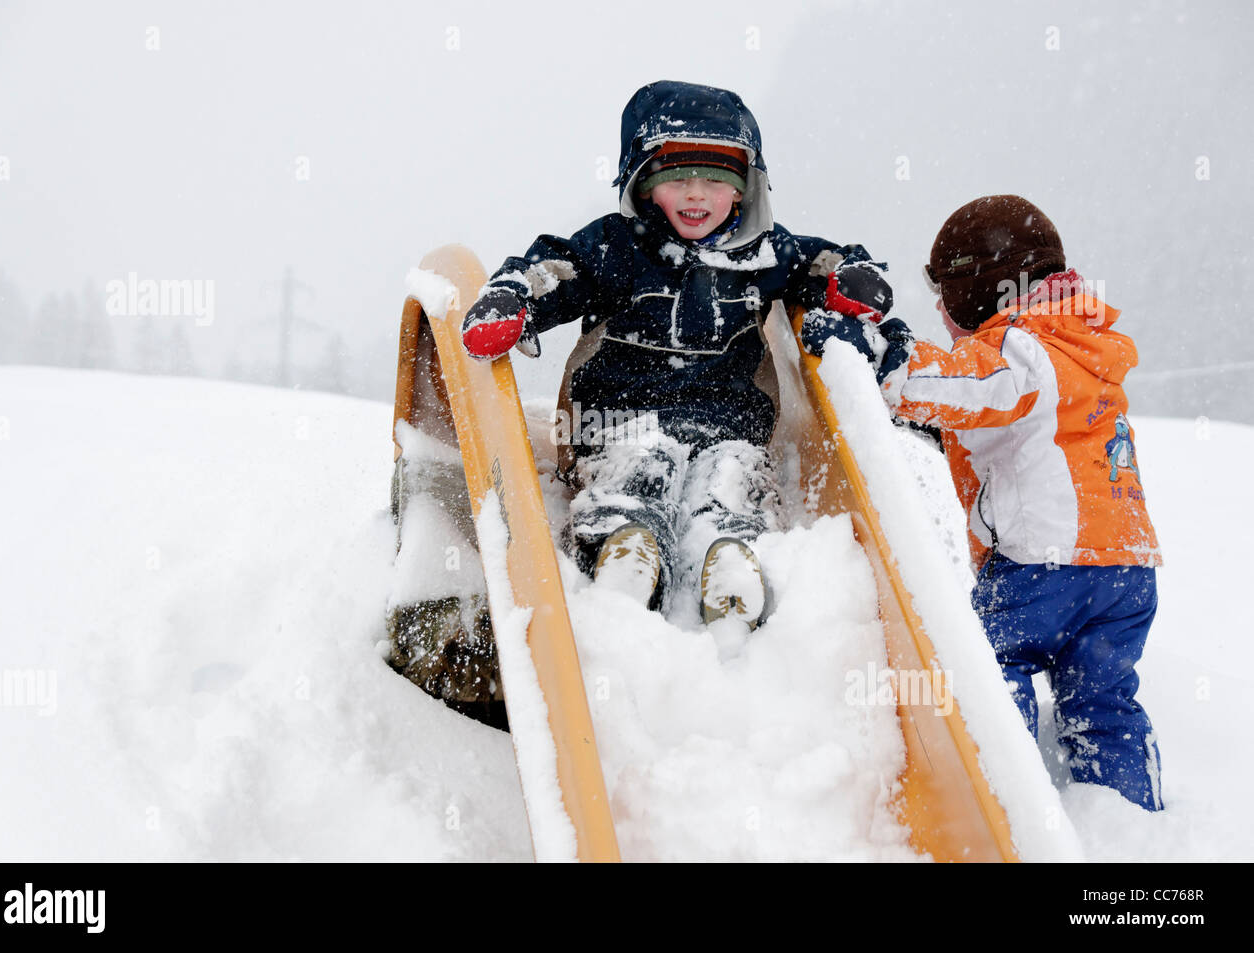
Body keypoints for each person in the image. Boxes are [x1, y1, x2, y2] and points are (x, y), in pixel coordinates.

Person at [461, 80, 890, 628]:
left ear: (742, 191)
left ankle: (729, 553)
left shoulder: (763, 252)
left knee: (730, 479)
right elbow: (558, 270)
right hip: (618, 422)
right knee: (638, 471)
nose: (696, 195)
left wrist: (848, 276)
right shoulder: (616, 246)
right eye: (676, 180)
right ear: (643, 187)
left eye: (715, 181)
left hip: (730, 424)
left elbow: (816, 262)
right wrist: (515, 297)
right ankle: (626, 548)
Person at [803, 194, 1165, 810]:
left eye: (947, 294)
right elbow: (986, 412)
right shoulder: (1080, 341)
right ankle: (1132, 822)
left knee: (989, 671)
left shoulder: (1026, 347)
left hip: (1044, 564)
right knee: (1103, 701)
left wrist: (882, 353)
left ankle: (1003, 800)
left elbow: (960, 383)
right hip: (1126, 570)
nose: (941, 310)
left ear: (987, 288)